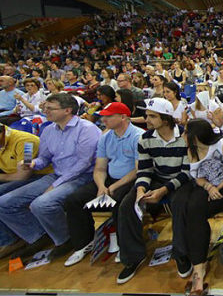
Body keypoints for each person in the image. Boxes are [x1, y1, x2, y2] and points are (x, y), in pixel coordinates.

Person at [0, 93, 101, 260]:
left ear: (67, 110)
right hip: (57, 174)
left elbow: (83, 164)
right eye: (45, 107)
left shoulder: (87, 129)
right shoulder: (48, 130)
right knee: (4, 203)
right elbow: (44, 158)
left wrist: (56, 185)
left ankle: (64, 239)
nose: (45, 111)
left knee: (41, 204)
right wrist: (33, 163)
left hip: (83, 176)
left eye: (50, 108)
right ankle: (38, 235)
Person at [116, 98, 191, 284]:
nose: (146, 119)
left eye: (152, 116)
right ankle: (133, 256)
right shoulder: (145, 139)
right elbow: (145, 169)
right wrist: (141, 189)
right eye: (147, 115)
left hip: (180, 181)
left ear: (165, 119)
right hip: (156, 179)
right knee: (127, 205)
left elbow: (187, 173)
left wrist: (164, 190)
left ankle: (182, 253)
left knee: (180, 204)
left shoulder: (185, 137)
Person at [62, 102, 144, 266]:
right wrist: (101, 186)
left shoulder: (138, 136)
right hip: (108, 179)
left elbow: (138, 170)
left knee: (119, 202)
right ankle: (84, 243)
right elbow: (100, 167)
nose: (104, 120)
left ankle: (123, 244)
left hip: (130, 179)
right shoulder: (105, 137)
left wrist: (114, 187)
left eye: (108, 116)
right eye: (103, 116)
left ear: (123, 117)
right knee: (73, 200)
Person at [171, 119, 223, 296]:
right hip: (207, 186)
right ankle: (198, 267)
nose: (183, 135)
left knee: (196, 212)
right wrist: (209, 187)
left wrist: (218, 187)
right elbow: (198, 178)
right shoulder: (192, 150)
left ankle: (197, 269)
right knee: (193, 208)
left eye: (186, 132)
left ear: (197, 136)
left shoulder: (222, 144)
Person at [0, 124, 52, 258]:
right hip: (14, 177)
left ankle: (38, 235)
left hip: (41, 176)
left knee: (5, 201)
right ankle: (10, 238)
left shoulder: (26, 142)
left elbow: (22, 176)